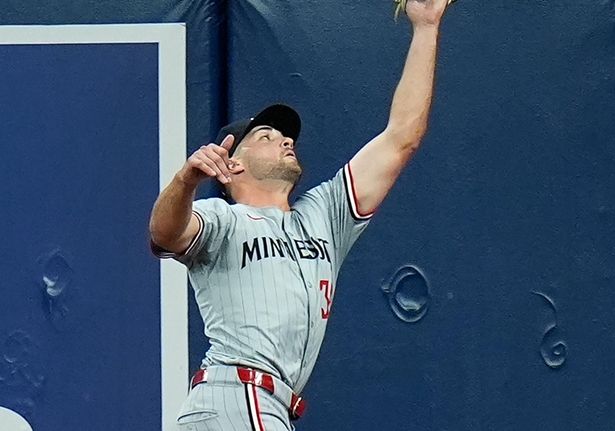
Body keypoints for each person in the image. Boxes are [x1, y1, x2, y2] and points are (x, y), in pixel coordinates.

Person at [149, 0, 452, 429]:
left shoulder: (325, 215)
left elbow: (402, 137)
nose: (285, 141)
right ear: (232, 163)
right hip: (237, 395)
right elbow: (164, 236)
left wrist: (425, 28)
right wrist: (184, 181)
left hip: (266, 406)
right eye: (266, 136)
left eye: (286, 136)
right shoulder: (222, 219)